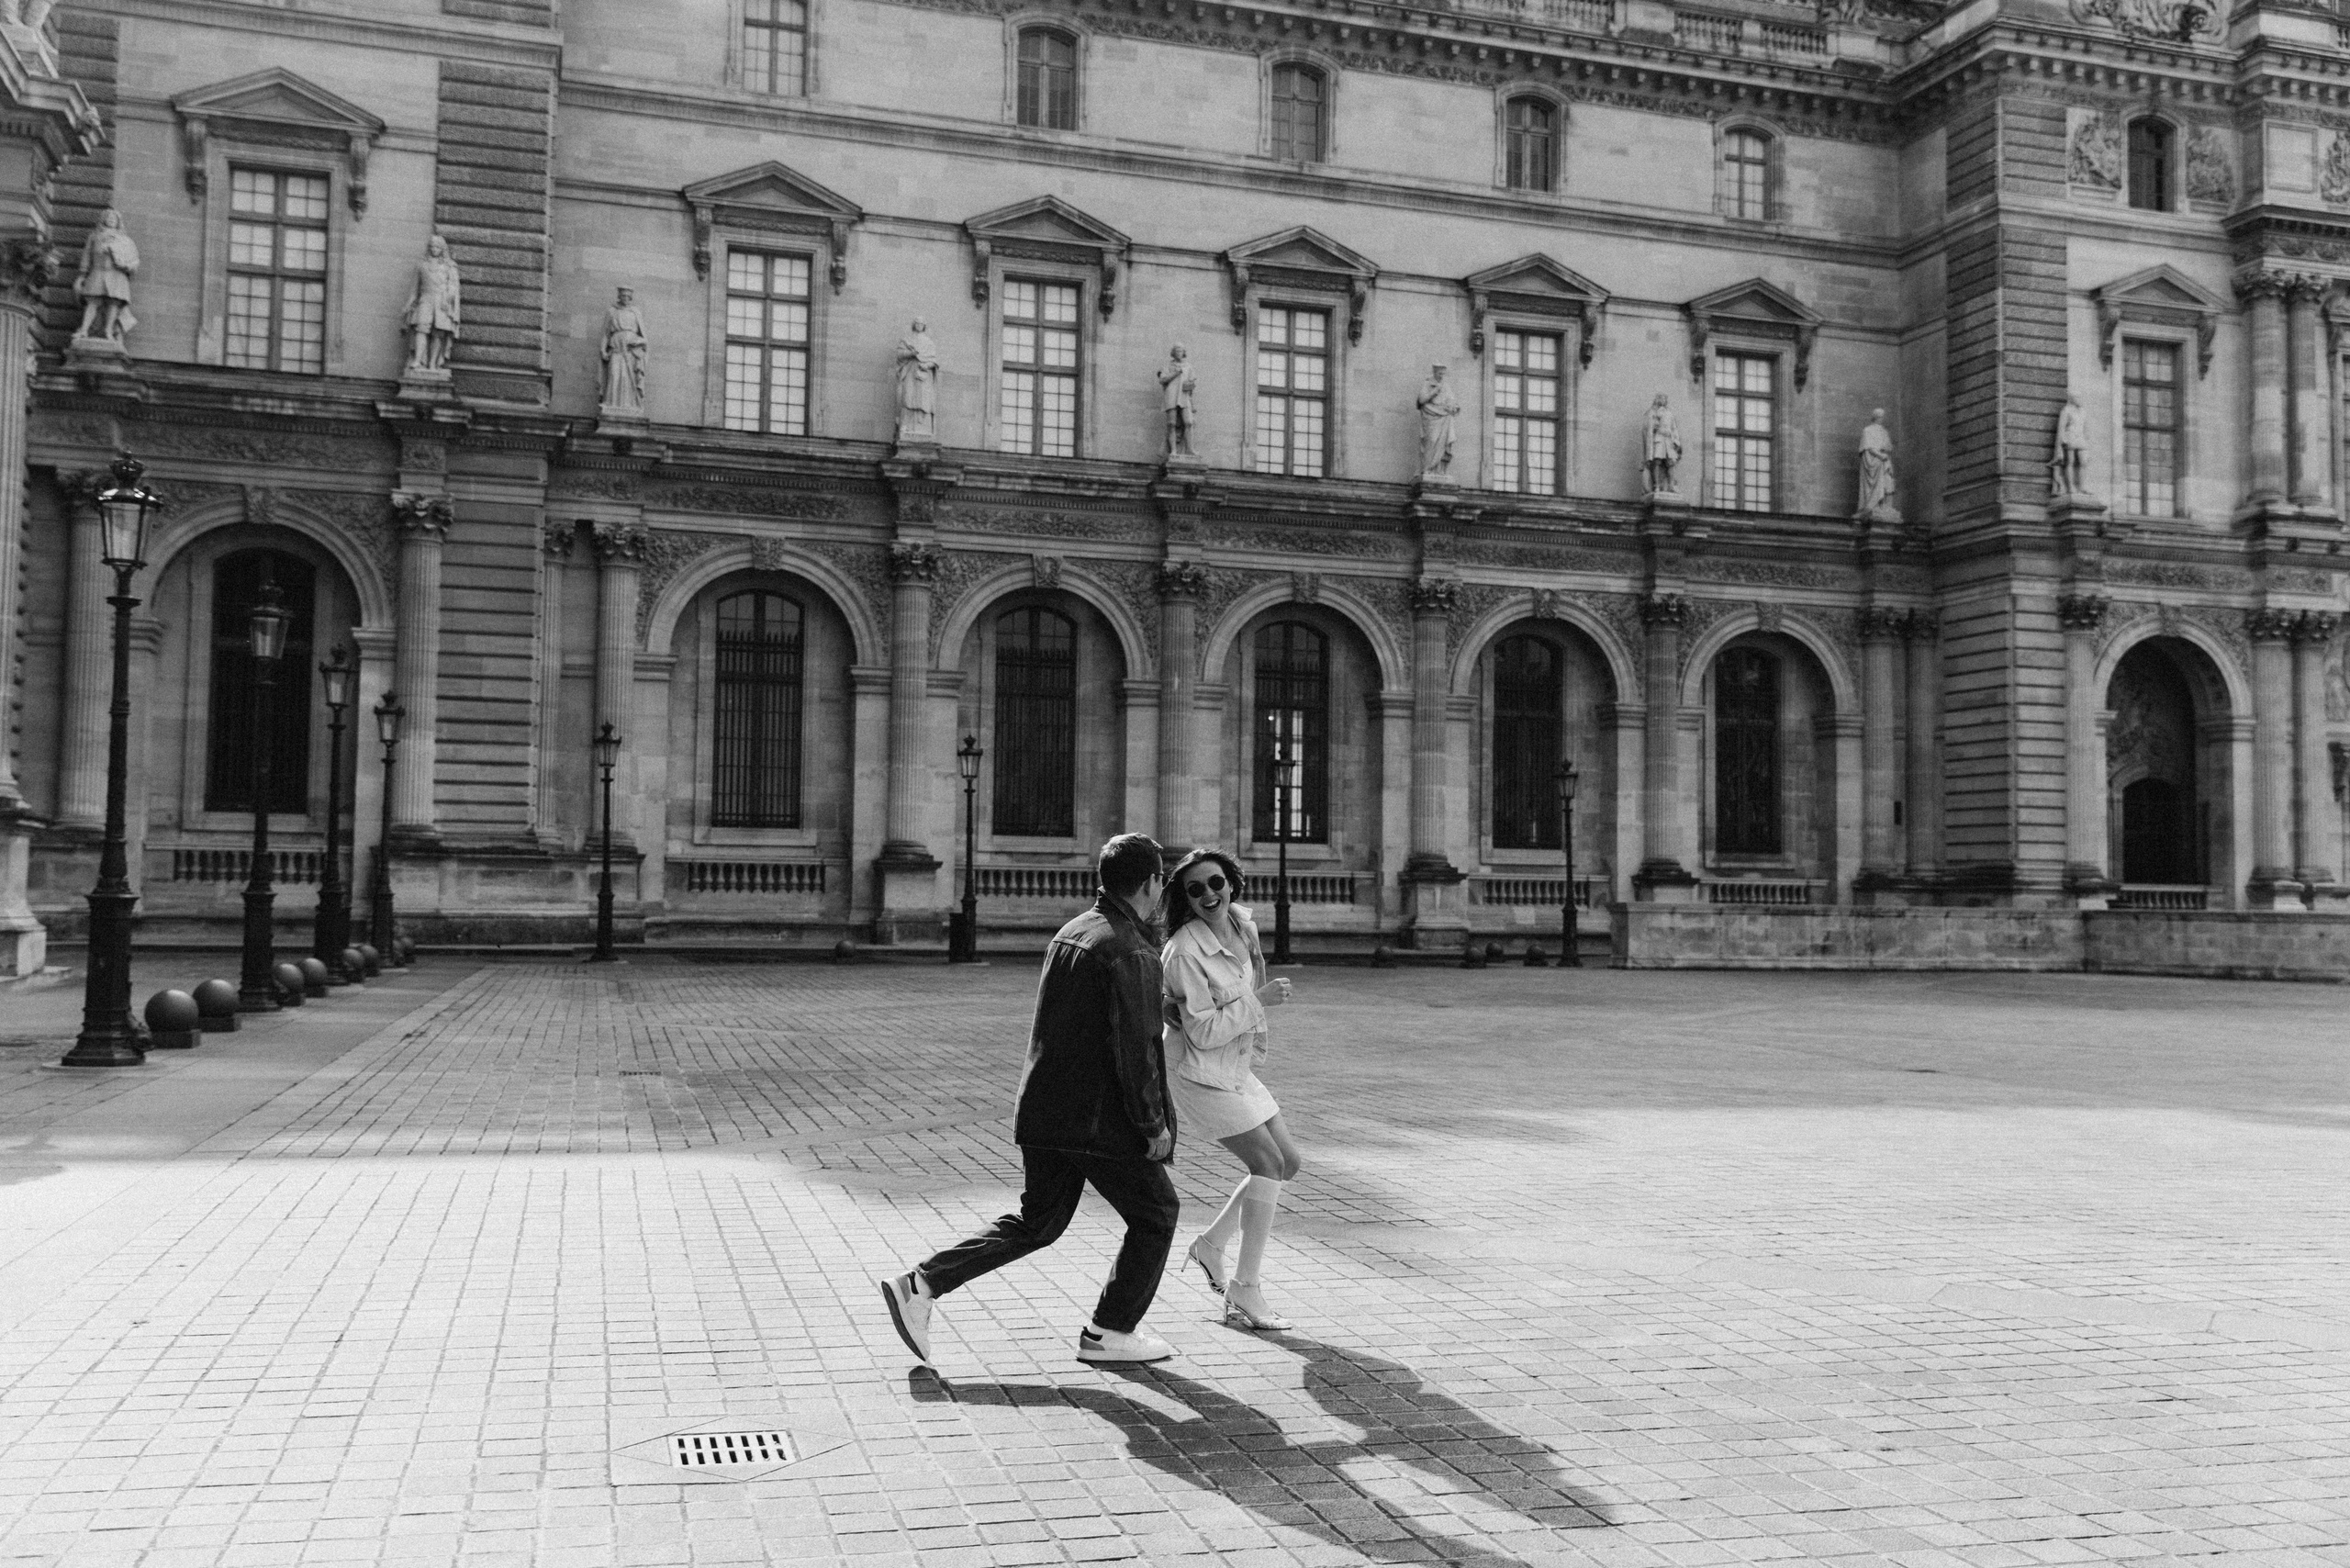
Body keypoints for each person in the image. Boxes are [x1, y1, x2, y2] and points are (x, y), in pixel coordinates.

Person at [879, 834, 1182, 1366]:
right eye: (1161, 882)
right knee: (1157, 1212)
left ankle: (921, 1284)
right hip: (1098, 1122)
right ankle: (1109, 1332)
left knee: (1036, 1223)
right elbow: (1135, 1050)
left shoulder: (1074, 931)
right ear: (1152, 883)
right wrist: (1153, 1124)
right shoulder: (1130, 949)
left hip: (1047, 1110)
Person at [1159, 848, 1299, 1332]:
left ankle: (1210, 1246)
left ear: (1232, 883)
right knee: (1267, 1164)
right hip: (1198, 1070)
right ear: (1185, 898)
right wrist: (1259, 1004)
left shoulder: (1243, 924)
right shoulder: (1184, 951)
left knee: (1288, 1163)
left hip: (1235, 1064)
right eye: (1194, 889)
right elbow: (1200, 1032)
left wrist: (1253, 1012)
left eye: (1215, 882)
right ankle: (1245, 1288)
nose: (1208, 895)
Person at [73, 207, 137, 346]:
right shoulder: (95, 236)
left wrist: (125, 265)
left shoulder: (126, 240)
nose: (111, 220)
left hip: (117, 275)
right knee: (92, 301)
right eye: (109, 217)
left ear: (118, 222)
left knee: (113, 303)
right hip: (98, 271)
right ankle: (84, 330)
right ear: (103, 220)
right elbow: (86, 256)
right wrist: (82, 275)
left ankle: (108, 331)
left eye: (114, 218)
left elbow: (134, 262)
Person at [404, 235, 462, 374]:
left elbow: (454, 286)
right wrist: (408, 304)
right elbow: (414, 289)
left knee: (438, 333)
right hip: (425, 299)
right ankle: (418, 360)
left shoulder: (449, 266)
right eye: (431, 246)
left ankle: (432, 364)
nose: (434, 249)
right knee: (421, 329)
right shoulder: (422, 265)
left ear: (442, 249)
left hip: (442, 301)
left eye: (437, 247)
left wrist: (448, 298)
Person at [599, 287, 647, 413]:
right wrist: (603, 350)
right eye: (623, 296)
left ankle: (630, 405)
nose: (625, 298)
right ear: (619, 297)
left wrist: (638, 341)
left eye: (627, 296)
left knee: (627, 377)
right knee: (614, 374)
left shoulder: (635, 312)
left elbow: (644, 338)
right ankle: (610, 403)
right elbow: (605, 333)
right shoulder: (612, 312)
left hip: (631, 350)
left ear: (630, 298)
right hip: (616, 348)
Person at [1158, 343, 1197, 459]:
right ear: (1173, 353)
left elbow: (1192, 384)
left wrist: (1190, 386)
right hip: (1171, 394)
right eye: (1177, 351)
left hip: (1184, 395)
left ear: (1183, 353)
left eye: (1181, 351)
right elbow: (1163, 380)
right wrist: (1176, 373)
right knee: (1171, 424)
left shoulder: (1188, 366)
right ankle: (1173, 451)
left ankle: (1190, 449)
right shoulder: (1167, 366)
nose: (1179, 353)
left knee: (1189, 422)